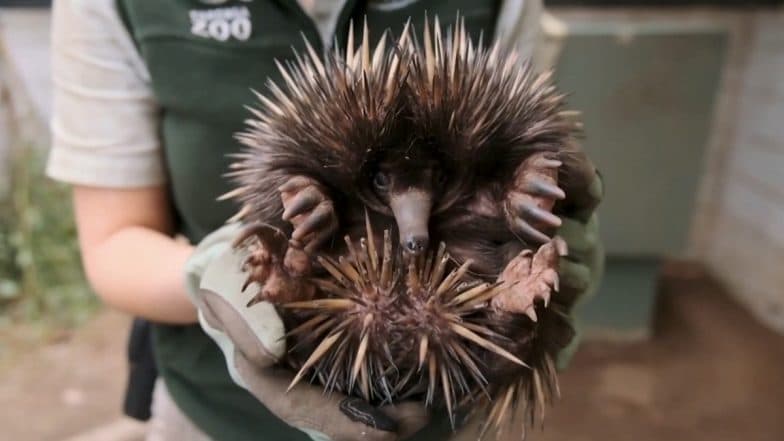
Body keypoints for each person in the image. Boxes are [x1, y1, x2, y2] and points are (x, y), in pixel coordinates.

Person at [47, 0, 603, 440]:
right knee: (337, 298)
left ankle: (509, 316)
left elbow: (528, 121)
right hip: (233, 394)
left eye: (425, 181)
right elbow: (112, 243)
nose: (413, 228)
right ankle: (297, 288)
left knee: (492, 295)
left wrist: (532, 184)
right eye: (389, 185)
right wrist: (211, 272)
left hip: (461, 340)